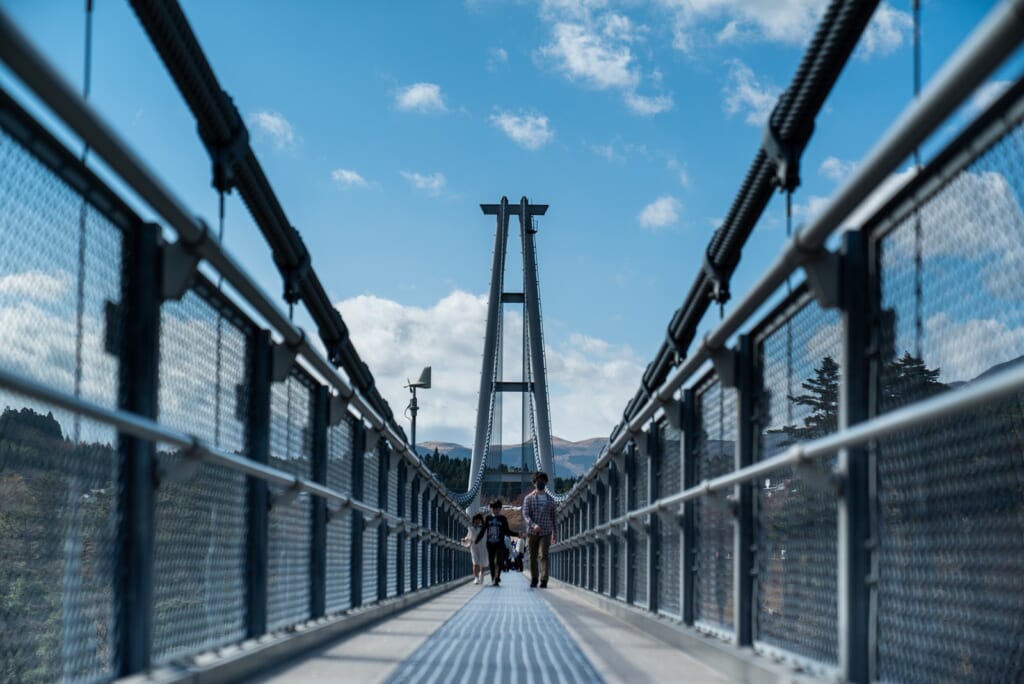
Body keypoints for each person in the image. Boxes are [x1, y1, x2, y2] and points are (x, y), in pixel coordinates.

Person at [522, 471, 557, 588]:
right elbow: (526, 515)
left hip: (546, 531)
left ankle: (544, 579)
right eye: (538, 481)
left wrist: (554, 533)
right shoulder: (528, 499)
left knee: (543, 555)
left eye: (542, 481)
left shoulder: (551, 500)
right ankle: (534, 578)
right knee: (532, 556)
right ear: (534, 483)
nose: (540, 483)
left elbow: (554, 517)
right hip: (532, 532)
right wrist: (533, 525)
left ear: (546, 482)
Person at [475, 499, 517, 586]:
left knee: (498, 561)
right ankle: (493, 578)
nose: (495, 510)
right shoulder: (488, 518)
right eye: (493, 508)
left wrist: (516, 534)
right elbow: (483, 531)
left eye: (497, 508)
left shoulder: (503, 519)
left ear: (500, 509)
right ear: (491, 509)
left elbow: (507, 531)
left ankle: (497, 577)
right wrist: (476, 541)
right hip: (490, 544)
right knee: (491, 562)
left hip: (500, 543)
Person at [461, 513, 488, 585]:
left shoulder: (484, 529)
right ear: (474, 521)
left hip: (483, 547)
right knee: (475, 563)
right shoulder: (471, 529)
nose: (477, 521)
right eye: (476, 520)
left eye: (479, 520)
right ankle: (476, 578)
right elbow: (468, 537)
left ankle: (481, 575)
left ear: (481, 520)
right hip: (474, 547)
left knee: (482, 563)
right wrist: (465, 540)